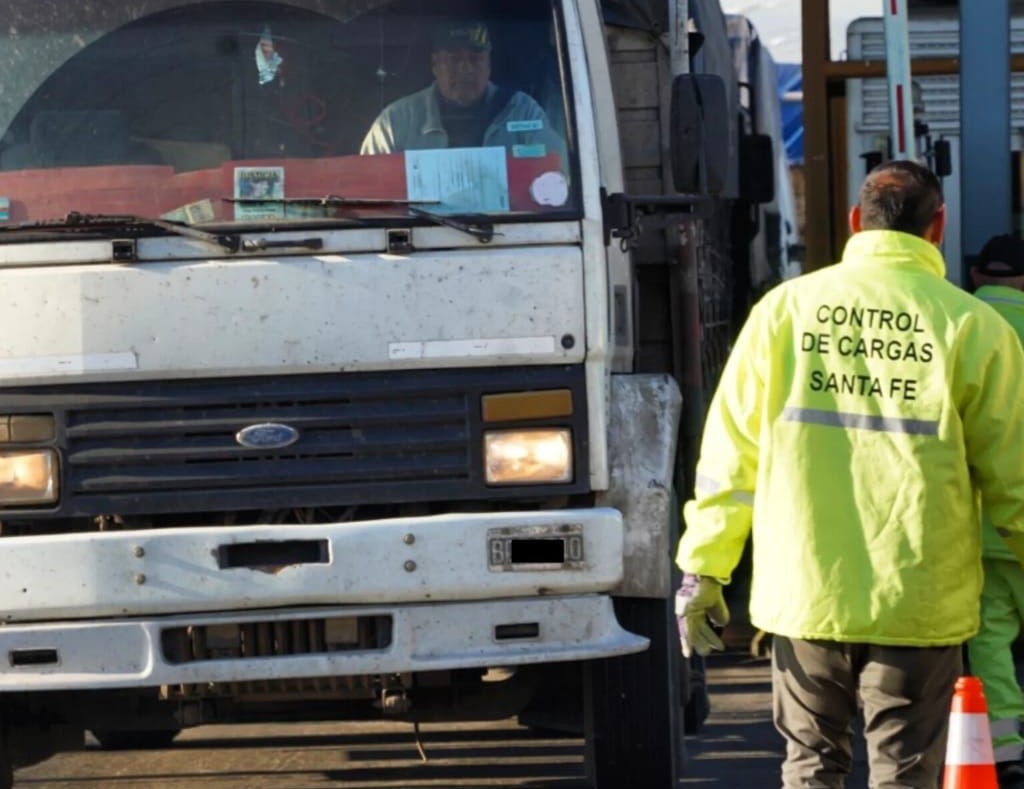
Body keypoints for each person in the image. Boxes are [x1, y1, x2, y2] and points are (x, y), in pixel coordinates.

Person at [674, 159, 1024, 788]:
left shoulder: (782, 313)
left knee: (810, 768)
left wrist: (704, 567)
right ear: (937, 227)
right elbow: (1015, 479)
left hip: (806, 595)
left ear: (857, 222)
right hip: (917, 601)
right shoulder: (974, 328)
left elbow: (730, 458)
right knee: (905, 772)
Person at [967, 232, 1024, 789]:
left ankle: (1005, 746)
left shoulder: (960, 324)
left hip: (983, 524)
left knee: (989, 637)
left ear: (980, 275)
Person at [360, 19, 562, 157]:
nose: (465, 69)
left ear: (489, 64)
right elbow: (370, 188)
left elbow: (559, 173)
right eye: (454, 60)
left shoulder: (522, 112)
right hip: (422, 221)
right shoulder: (396, 121)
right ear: (435, 65)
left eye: (476, 59)